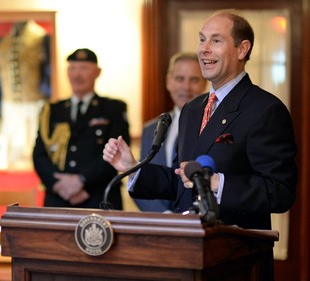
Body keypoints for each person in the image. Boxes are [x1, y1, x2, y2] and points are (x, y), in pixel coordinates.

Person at [103, 10, 297, 280]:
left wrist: (218, 184)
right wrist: (132, 167)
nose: (204, 49)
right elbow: (180, 179)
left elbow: (280, 192)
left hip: (236, 262)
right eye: (202, 39)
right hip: (187, 256)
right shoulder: (193, 109)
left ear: (242, 49)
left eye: (216, 41)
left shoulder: (265, 109)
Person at [33, 48, 130, 210]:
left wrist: (82, 182)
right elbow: (39, 155)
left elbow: (117, 153)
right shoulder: (51, 111)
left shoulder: (113, 109)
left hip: (98, 199)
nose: (77, 75)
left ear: (97, 72)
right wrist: (59, 185)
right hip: (58, 200)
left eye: (84, 68)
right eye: (72, 68)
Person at [134, 52, 207, 213]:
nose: (186, 87)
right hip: (159, 225)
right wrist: (165, 217)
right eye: (179, 79)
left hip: (198, 222)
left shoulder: (211, 126)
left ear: (205, 84)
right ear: (168, 82)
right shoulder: (150, 129)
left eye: (194, 80)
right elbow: (141, 180)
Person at [0, 20, 51, 168]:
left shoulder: (41, 38)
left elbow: (49, 74)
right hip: (9, 107)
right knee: (12, 159)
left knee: (38, 153)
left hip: (36, 105)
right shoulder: (2, 42)